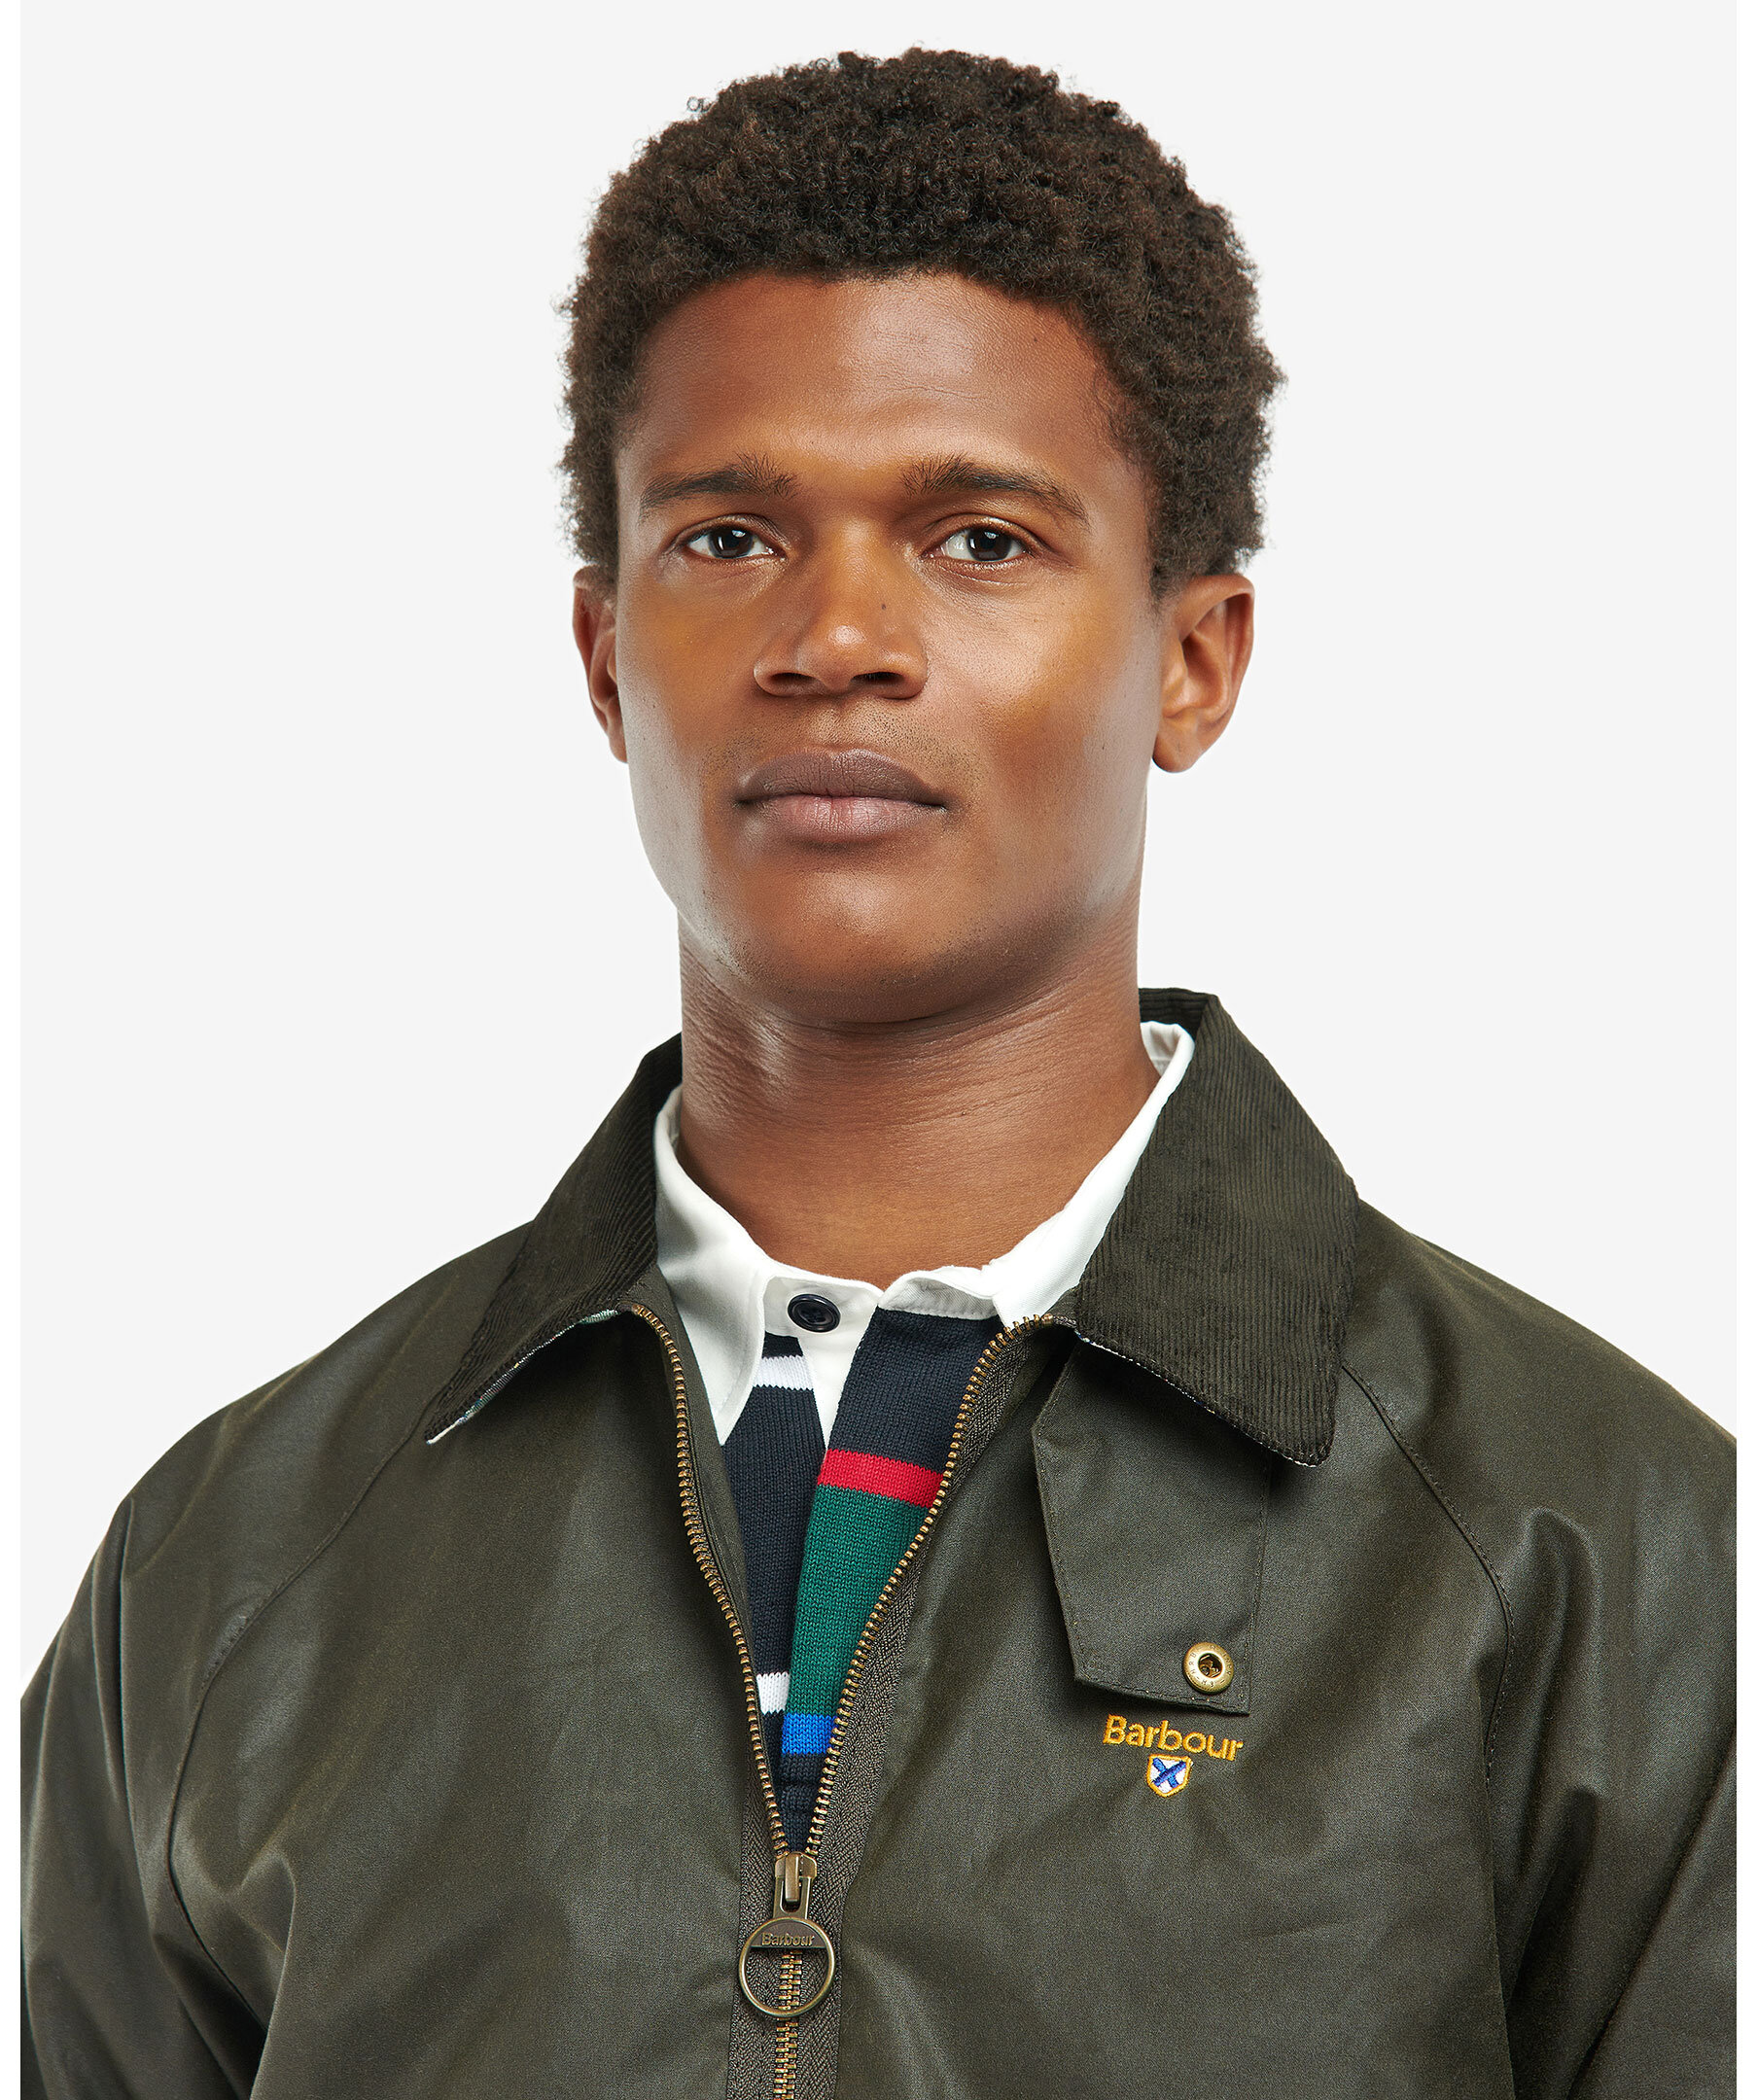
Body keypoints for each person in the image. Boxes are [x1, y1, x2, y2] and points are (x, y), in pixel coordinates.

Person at [22, 48, 1733, 2099]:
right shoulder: (234, 1566)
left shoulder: (1607, 1548)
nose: (836, 636)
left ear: (1193, 658)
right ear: (603, 658)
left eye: (980, 539)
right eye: (731, 535)